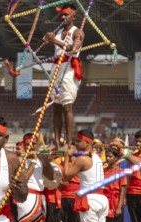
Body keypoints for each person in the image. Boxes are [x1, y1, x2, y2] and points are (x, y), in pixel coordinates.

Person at [62, 129, 109, 222]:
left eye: (78, 141)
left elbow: (67, 176)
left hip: (90, 199)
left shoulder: (82, 159)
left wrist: (67, 158)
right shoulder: (97, 157)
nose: (76, 143)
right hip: (102, 198)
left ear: (87, 142)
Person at [43, 4, 84, 146]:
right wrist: (47, 38)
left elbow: (74, 49)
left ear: (74, 16)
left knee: (67, 106)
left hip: (69, 69)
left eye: (67, 14)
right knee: (56, 107)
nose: (64, 17)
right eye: (62, 15)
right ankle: (56, 141)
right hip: (56, 68)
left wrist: (54, 40)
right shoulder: (58, 31)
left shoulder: (77, 32)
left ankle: (68, 142)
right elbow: (42, 45)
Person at [16, 133, 55, 222]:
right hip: (27, 196)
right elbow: (23, 179)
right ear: (23, 145)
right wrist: (32, 161)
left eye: (33, 144)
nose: (31, 147)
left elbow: (51, 176)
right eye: (28, 145)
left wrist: (46, 161)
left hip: (39, 196)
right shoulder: (20, 159)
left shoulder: (39, 158)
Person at [102, 148, 127, 222]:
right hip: (104, 202)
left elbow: (123, 190)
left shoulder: (121, 172)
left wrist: (119, 206)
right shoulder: (103, 171)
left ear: (116, 158)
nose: (108, 158)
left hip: (115, 201)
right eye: (107, 156)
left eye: (110, 156)